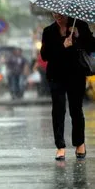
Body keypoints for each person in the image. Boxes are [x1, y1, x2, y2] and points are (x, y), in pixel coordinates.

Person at [40, 13, 95, 161]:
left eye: (61, 14)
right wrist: (62, 45)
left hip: (76, 74)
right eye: (54, 13)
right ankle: (60, 147)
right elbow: (45, 55)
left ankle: (79, 143)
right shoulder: (49, 31)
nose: (57, 16)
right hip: (56, 76)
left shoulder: (80, 25)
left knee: (76, 109)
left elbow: (92, 46)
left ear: (68, 12)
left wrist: (79, 35)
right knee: (58, 110)